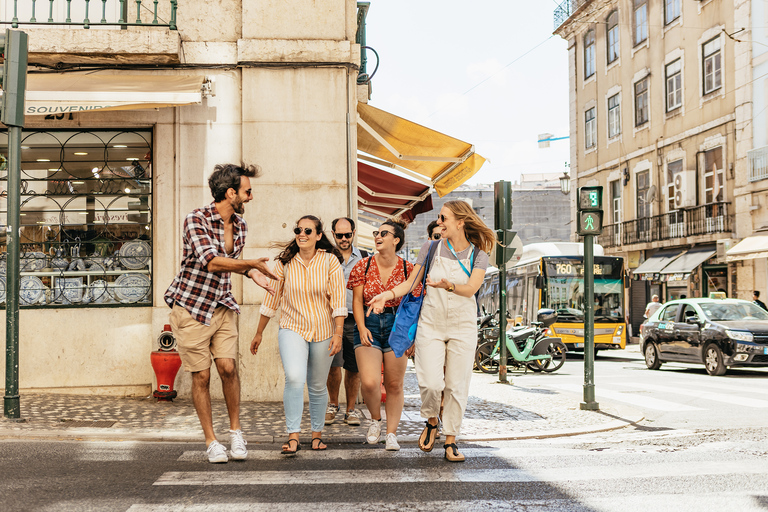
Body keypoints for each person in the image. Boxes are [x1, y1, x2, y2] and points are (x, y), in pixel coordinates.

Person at [164, 163, 278, 464]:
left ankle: (235, 431)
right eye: (247, 192)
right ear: (231, 193)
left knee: (228, 368)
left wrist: (254, 275)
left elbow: (234, 263)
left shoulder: (239, 226)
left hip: (222, 305)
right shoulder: (196, 219)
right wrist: (250, 264)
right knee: (201, 376)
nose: (250, 197)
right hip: (191, 307)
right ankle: (211, 441)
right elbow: (212, 262)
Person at [367, 200, 494, 462]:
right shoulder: (431, 247)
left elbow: (470, 289)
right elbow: (411, 282)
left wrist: (449, 286)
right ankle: (432, 420)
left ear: (460, 222)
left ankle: (450, 440)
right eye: (439, 217)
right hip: (431, 323)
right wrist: (386, 295)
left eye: (444, 218)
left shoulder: (478, 254)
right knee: (431, 383)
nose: (439, 222)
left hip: (463, 326)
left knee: (457, 385)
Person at [250, 215, 346, 455]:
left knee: (316, 385)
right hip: (292, 328)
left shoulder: (330, 262)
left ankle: (316, 436)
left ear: (318, 236)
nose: (301, 234)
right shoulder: (284, 264)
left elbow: (338, 301)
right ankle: (293, 436)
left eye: (307, 230)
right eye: (298, 230)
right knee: (294, 377)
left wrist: (338, 333)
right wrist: (259, 332)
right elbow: (271, 299)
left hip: (324, 330)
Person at [348, 219, 418, 451]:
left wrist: (413, 337)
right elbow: (357, 301)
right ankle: (375, 420)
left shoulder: (409, 269)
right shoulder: (363, 266)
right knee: (369, 382)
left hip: (398, 324)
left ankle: (391, 433)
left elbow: (416, 305)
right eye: (377, 233)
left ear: (396, 240)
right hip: (369, 323)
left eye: (384, 233)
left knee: (395, 383)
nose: (378, 236)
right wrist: (361, 327)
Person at [325, 217, 368, 427]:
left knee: (354, 367)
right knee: (333, 366)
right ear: (333, 234)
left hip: (355, 317)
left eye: (347, 234)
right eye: (339, 235)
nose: (343, 239)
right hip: (330, 319)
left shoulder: (365, 258)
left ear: (353, 233)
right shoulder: (324, 257)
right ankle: (333, 404)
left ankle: (351, 409)